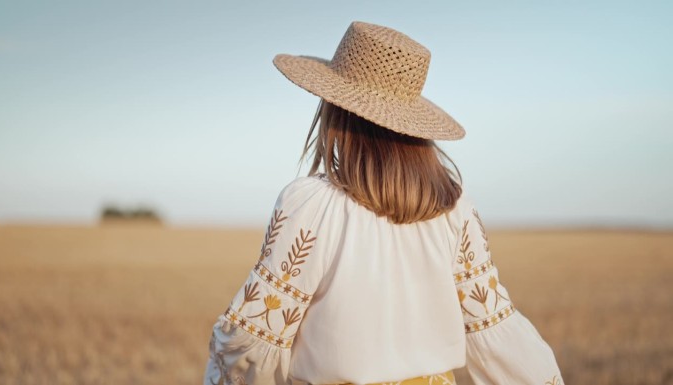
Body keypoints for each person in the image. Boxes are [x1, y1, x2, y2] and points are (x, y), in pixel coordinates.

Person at [203, 21, 564, 385]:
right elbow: (494, 331)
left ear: (335, 110)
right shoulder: (454, 207)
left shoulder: (311, 205)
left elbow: (251, 342)